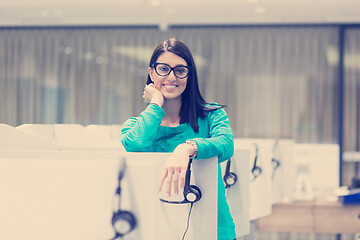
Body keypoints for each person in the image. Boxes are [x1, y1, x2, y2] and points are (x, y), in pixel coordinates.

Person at [120, 38, 236, 240]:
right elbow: (135, 145)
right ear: (151, 73)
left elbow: (226, 144)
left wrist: (186, 148)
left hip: (213, 230)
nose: (171, 77)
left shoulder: (211, 115)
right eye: (163, 69)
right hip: (157, 230)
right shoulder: (136, 126)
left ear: (189, 76)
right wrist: (156, 103)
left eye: (180, 70)